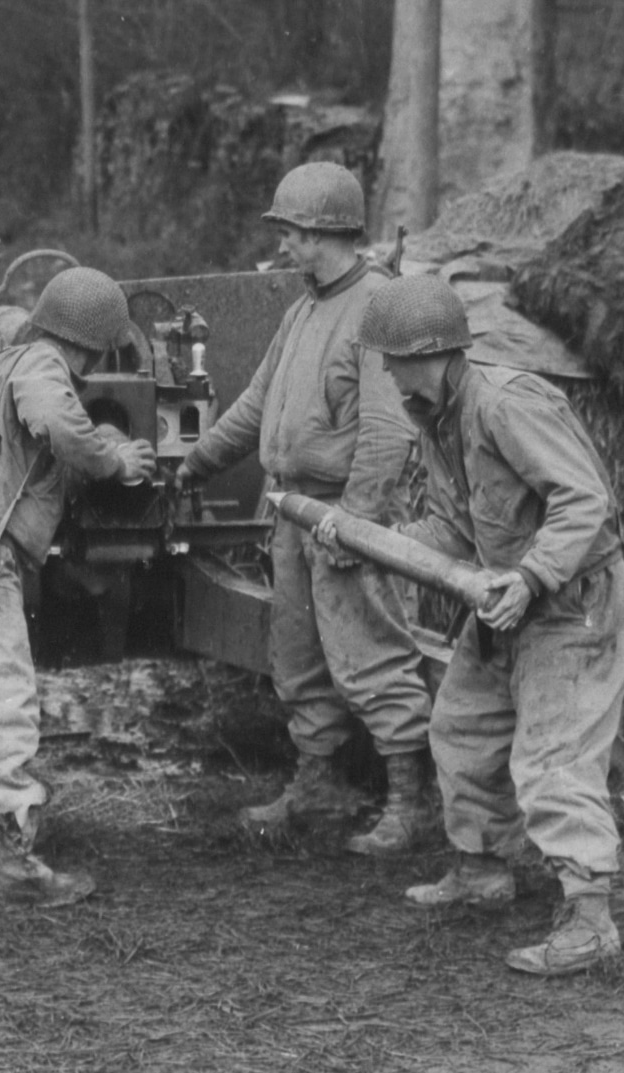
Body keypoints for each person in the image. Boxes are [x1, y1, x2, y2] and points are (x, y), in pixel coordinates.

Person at [342, 273, 624, 975]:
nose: (384, 370)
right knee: (462, 725)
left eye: (391, 356)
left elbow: (584, 500)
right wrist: (371, 542)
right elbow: (453, 524)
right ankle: (480, 870)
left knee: (553, 756)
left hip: (570, 597)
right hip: (506, 596)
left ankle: (590, 916)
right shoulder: (437, 417)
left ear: (429, 350)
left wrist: (531, 576)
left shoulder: (506, 403)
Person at [175, 161, 433, 855]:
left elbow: (388, 431)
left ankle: (408, 802)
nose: (282, 247)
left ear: (321, 234)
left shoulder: (378, 305)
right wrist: (192, 464)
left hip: (346, 516)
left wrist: (353, 522)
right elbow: (257, 405)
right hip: (289, 511)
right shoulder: (301, 309)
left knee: (370, 651)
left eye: (289, 232)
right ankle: (318, 783)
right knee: (297, 655)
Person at [0, 266, 156, 910]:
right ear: (95, 344)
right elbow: (55, 423)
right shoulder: (41, 367)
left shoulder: (7, 361)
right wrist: (114, 459)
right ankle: (8, 867)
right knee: (3, 699)